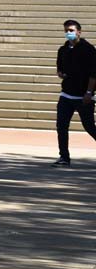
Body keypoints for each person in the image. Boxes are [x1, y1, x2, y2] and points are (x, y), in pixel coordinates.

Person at [54, 20, 96, 167]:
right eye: (66, 30)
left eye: (71, 30)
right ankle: (64, 157)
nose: (68, 33)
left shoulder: (88, 50)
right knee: (61, 126)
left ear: (79, 32)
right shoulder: (63, 49)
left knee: (89, 126)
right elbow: (59, 69)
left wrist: (89, 92)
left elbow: (94, 74)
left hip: (83, 96)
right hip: (66, 95)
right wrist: (61, 74)